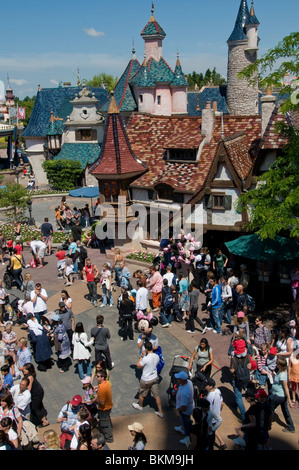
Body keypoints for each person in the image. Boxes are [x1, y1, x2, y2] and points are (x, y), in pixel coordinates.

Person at [132, 341, 163, 418]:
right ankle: (160, 412)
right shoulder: (157, 356)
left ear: (145, 349)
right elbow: (156, 364)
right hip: (154, 378)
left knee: (141, 393)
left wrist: (142, 356)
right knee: (157, 396)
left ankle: (140, 406)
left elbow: (138, 366)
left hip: (146, 379)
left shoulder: (145, 358)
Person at [269, 356, 295, 433]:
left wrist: (290, 401)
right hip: (281, 396)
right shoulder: (280, 371)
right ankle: (291, 427)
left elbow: (286, 388)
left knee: (270, 409)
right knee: (285, 411)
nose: (276, 364)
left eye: (277, 364)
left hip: (278, 396)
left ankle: (267, 425)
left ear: (280, 365)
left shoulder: (282, 375)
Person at [23, 363, 49, 428]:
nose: (23, 370)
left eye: (25, 369)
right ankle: (43, 413)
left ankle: (44, 421)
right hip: (38, 392)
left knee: (35, 407)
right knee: (39, 404)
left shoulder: (29, 377)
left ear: (28, 370)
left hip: (36, 393)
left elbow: (29, 388)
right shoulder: (30, 375)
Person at [229, 349, 252, 423]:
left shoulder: (234, 358)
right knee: (240, 394)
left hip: (237, 379)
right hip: (245, 378)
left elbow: (232, 370)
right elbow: (249, 366)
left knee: (238, 396)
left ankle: (244, 417)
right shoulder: (247, 355)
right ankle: (237, 405)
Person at [205, 377, 227, 450]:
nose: (205, 386)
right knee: (214, 429)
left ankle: (217, 444)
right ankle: (222, 443)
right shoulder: (218, 391)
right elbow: (222, 403)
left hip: (211, 418)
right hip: (217, 415)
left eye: (206, 385)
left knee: (211, 431)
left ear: (210, 386)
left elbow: (208, 409)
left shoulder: (209, 397)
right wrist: (219, 412)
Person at [174, 370, 194, 447]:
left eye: (178, 378)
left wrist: (179, 409)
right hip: (189, 406)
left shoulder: (185, 393)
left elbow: (184, 406)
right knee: (185, 422)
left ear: (182, 380)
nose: (177, 379)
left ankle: (187, 437)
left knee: (186, 423)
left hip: (185, 411)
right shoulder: (189, 382)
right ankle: (183, 428)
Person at [96, 369, 114, 443]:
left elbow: (102, 402)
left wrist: (95, 400)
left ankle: (109, 438)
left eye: (98, 376)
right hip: (109, 406)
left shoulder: (102, 388)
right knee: (106, 419)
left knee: (105, 424)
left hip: (104, 408)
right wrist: (96, 387)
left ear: (102, 378)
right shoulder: (107, 383)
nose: (96, 377)